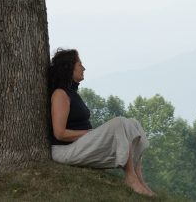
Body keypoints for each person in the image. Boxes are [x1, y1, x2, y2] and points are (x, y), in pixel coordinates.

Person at [48, 48, 155, 196]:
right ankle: (130, 178)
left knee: (133, 123)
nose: (83, 68)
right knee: (119, 123)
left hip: (78, 144)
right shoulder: (60, 94)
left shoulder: (72, 93)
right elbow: (59, 134)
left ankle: (139, 179)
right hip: (65, 150)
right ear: (69, 67)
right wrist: (88, 133)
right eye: (80, 64)